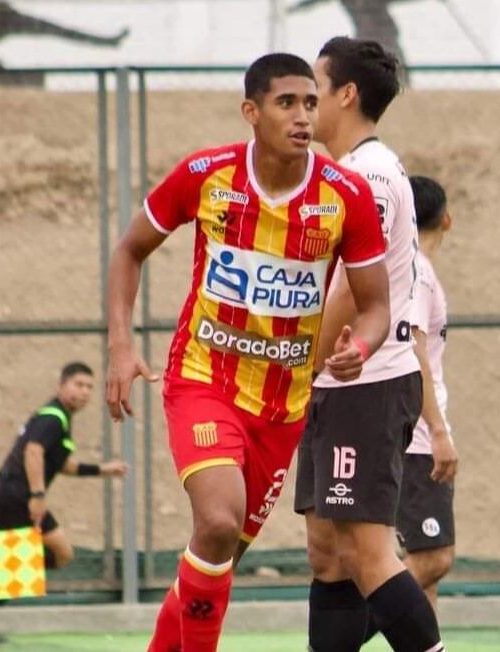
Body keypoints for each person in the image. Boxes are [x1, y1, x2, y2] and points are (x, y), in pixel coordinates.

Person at [105, 53, 389, 652]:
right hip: (204, 379)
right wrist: (121, 344)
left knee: (218, 553)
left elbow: (376, 308)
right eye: (287, 103)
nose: (303, 116)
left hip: (282, 409)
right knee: (216, 521)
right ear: (251, 112)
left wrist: (360, 346)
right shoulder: (206, 175)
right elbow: (129, 249)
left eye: (311, 102)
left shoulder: (346, 196)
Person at [293, 37, 444, 652]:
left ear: (346, 94)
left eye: (315, 90)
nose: (305, 105)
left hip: (368, 382)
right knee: (328, 555)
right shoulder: (343, 171)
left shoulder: (372, 176)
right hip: (339, 383)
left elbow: (356, 295)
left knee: (368, 551)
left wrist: (298, 369)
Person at [0, 362, 127, 644]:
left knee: (15, 563)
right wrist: (38, 496)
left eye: (90, 387)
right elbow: (33, 452)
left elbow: (63, 464)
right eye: (78, 384)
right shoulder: (53, 418)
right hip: (16, 496)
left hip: (11, 495)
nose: (84, 392)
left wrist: (103, 469)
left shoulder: (60, 420)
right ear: (61, 385)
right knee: (60, 553)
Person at [399, 175, 457, 607]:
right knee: (432, 558)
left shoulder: (411, 266)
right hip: (417, 437)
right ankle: (333, 637)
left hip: (412, 431)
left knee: (425, 576)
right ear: (447, 220)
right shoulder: (418, 271)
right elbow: (412, 347)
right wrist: (437, 430)